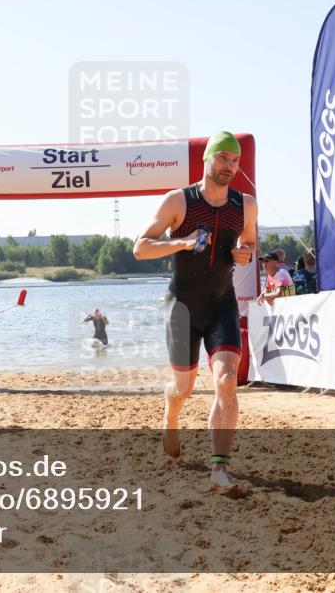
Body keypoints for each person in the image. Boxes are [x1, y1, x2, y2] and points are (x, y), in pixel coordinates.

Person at [133, 131, 257, 492]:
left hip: (222, 302)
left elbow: (249, 241)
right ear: (207, 159)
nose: (229, 167)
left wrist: (244, 253)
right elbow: (140, 248)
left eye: (235, 161)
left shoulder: (245, 204)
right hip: (183, 308)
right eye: (223, 159)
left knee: (226, 380)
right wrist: (183, 242)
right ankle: (171, 414)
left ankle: (219, 469)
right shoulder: (179, 201)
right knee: (183, 388)